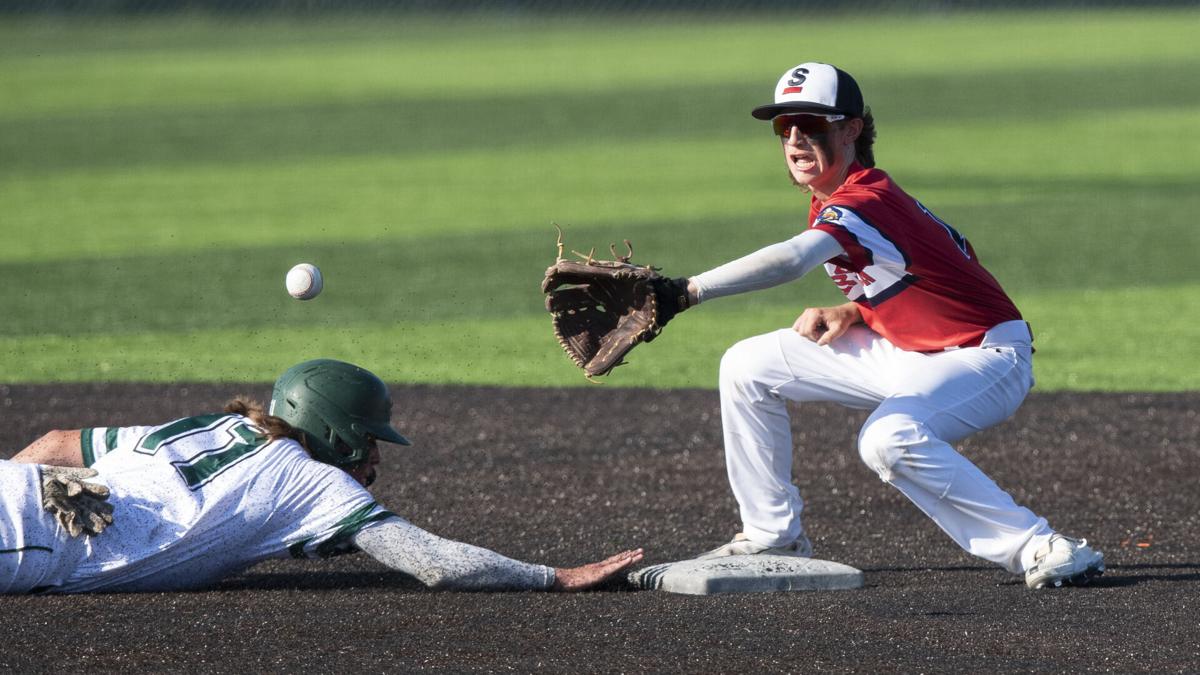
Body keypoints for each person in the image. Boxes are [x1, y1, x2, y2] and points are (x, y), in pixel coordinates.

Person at [666, 62, 1102, 589]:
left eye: (813, 125)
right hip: (911, 353)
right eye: (785, 127)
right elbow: (939, 269)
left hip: (987, 358)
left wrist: (686, 291)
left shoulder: (866, 199)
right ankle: (772, 533)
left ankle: (1042, 546)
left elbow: (789, 262)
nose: (797, 139)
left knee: (888, 440)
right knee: (748, 365)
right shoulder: (841, 198)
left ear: (851, 129)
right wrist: (855, 311)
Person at [1, 358, 642, 594]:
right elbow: (433, 562)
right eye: (368, 441)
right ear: (333, 429)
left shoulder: (217, 426)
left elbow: (58, 443)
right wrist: (553, 576)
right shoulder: (310, 483)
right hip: (27, 538)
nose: (375, 460)